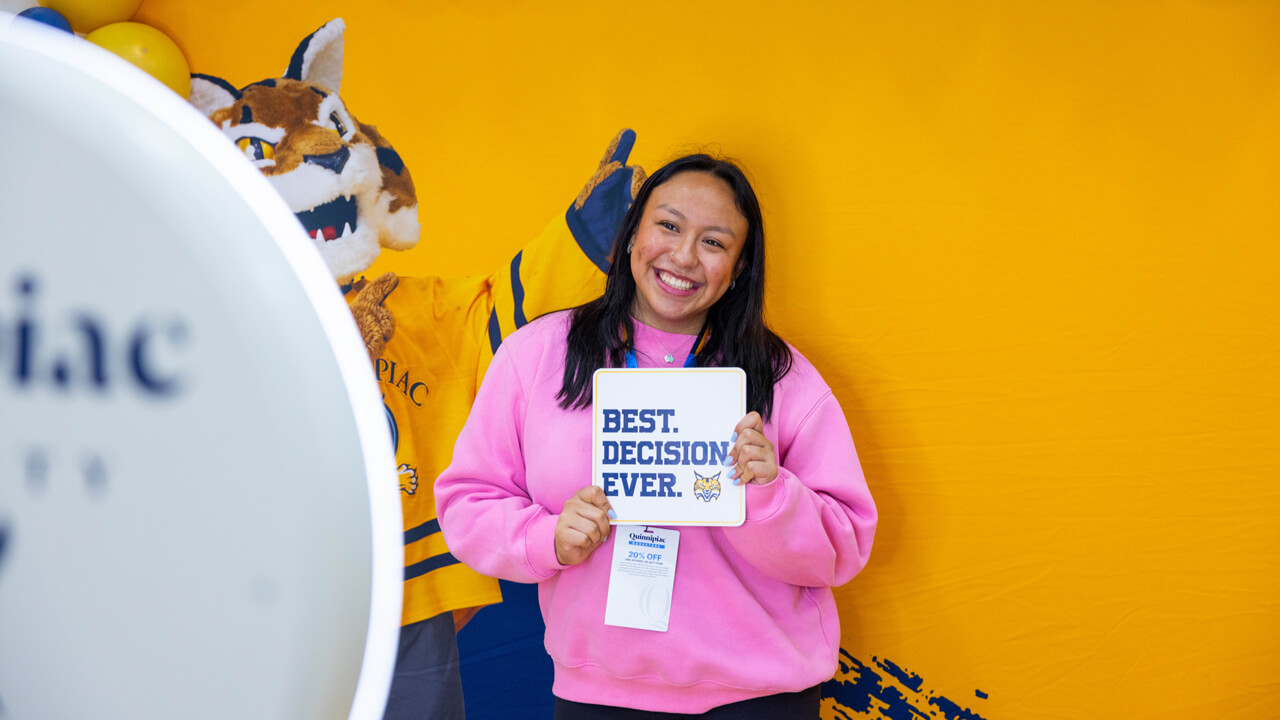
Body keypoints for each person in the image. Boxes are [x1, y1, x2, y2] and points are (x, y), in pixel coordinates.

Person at [434, 153, 877, 718]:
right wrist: (548, 538)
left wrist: (770, 495)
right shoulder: (537, 355)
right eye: (668, 226)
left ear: (739, 266)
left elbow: (845, 545)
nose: (684, 256)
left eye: (714, 242)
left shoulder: (782, 377)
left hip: (760, 699)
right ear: (631, 235)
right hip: (598, 696)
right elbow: (467, 504)